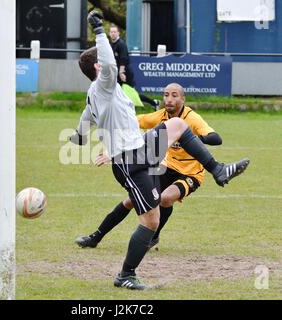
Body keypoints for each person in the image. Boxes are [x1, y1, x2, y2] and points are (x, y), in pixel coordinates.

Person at [70, 11, 249, 290]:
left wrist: (77, 139)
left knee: (177, 124)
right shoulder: (104, 85)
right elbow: (107, 62)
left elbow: (82, 127)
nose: (115, 64)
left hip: (139, 151)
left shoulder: (99, 94)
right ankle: (125, 275)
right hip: (130, 161)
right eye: (109, 64)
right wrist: (99, 30)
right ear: (98, 69)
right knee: (151, 220)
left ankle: (218, 170)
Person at [75, 83, 223, 250]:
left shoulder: (192, 118)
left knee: (166, 198)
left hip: (190, 174)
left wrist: (189, 139)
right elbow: (131, 122)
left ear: (183, 99)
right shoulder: (160, 116)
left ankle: (154, 236)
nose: (169, 99)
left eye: (174, 95)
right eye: (166, 95)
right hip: (165, 167)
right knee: (131, 200)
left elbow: (215, 138)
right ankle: (96, 237)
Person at [108, 24, 160, 110]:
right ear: (109, 33)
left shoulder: (121, 44)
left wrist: (121, 72)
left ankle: (154, 102)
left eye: (115, 32)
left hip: (125, 73)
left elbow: (123, 59)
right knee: (116, 92)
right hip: (118, 73)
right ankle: (119, 110)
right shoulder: (112, 44)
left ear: (118, 33)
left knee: (132, 94)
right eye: (111, 32)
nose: (113, 33)